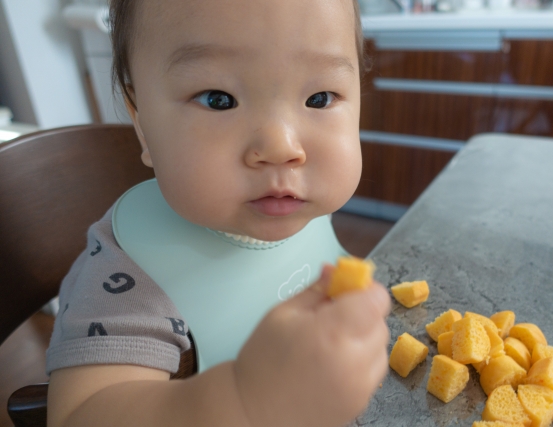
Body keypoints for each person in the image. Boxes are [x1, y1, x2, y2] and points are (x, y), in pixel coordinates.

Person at [46, 0, 391, 426]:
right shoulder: (130, 272)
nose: (283, 148)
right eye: (219, 99)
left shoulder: (295, 204)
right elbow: (78, 416)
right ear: (142, 122)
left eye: (319, 98)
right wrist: (247, 401)